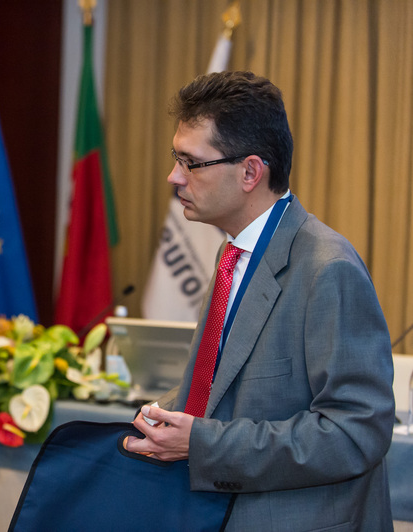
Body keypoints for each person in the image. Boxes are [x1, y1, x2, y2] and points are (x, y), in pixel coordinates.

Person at [124, 72, 395, 530]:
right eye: (176, 158)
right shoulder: (233, 253)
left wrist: (203, 444)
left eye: (191, 162)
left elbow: (356, 432)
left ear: (250, 171)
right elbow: (226, 386)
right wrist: (163, 416)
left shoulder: (329, 268)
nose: (174, 177)